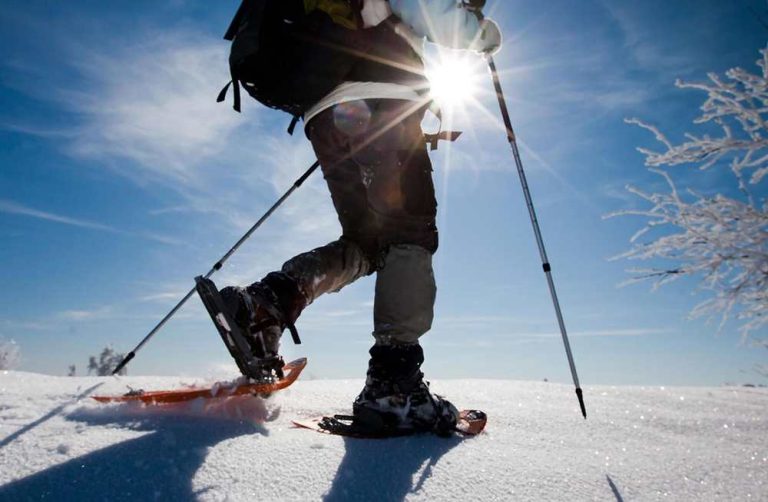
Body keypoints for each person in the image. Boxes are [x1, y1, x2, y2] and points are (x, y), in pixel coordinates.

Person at [219, 0, 501, 435]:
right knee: (410, 232)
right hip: (377, 101)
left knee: (367, 243)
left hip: (324, 111)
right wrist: (481, 32)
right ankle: (395, 385)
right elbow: (429, 13)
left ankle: (265, 305)